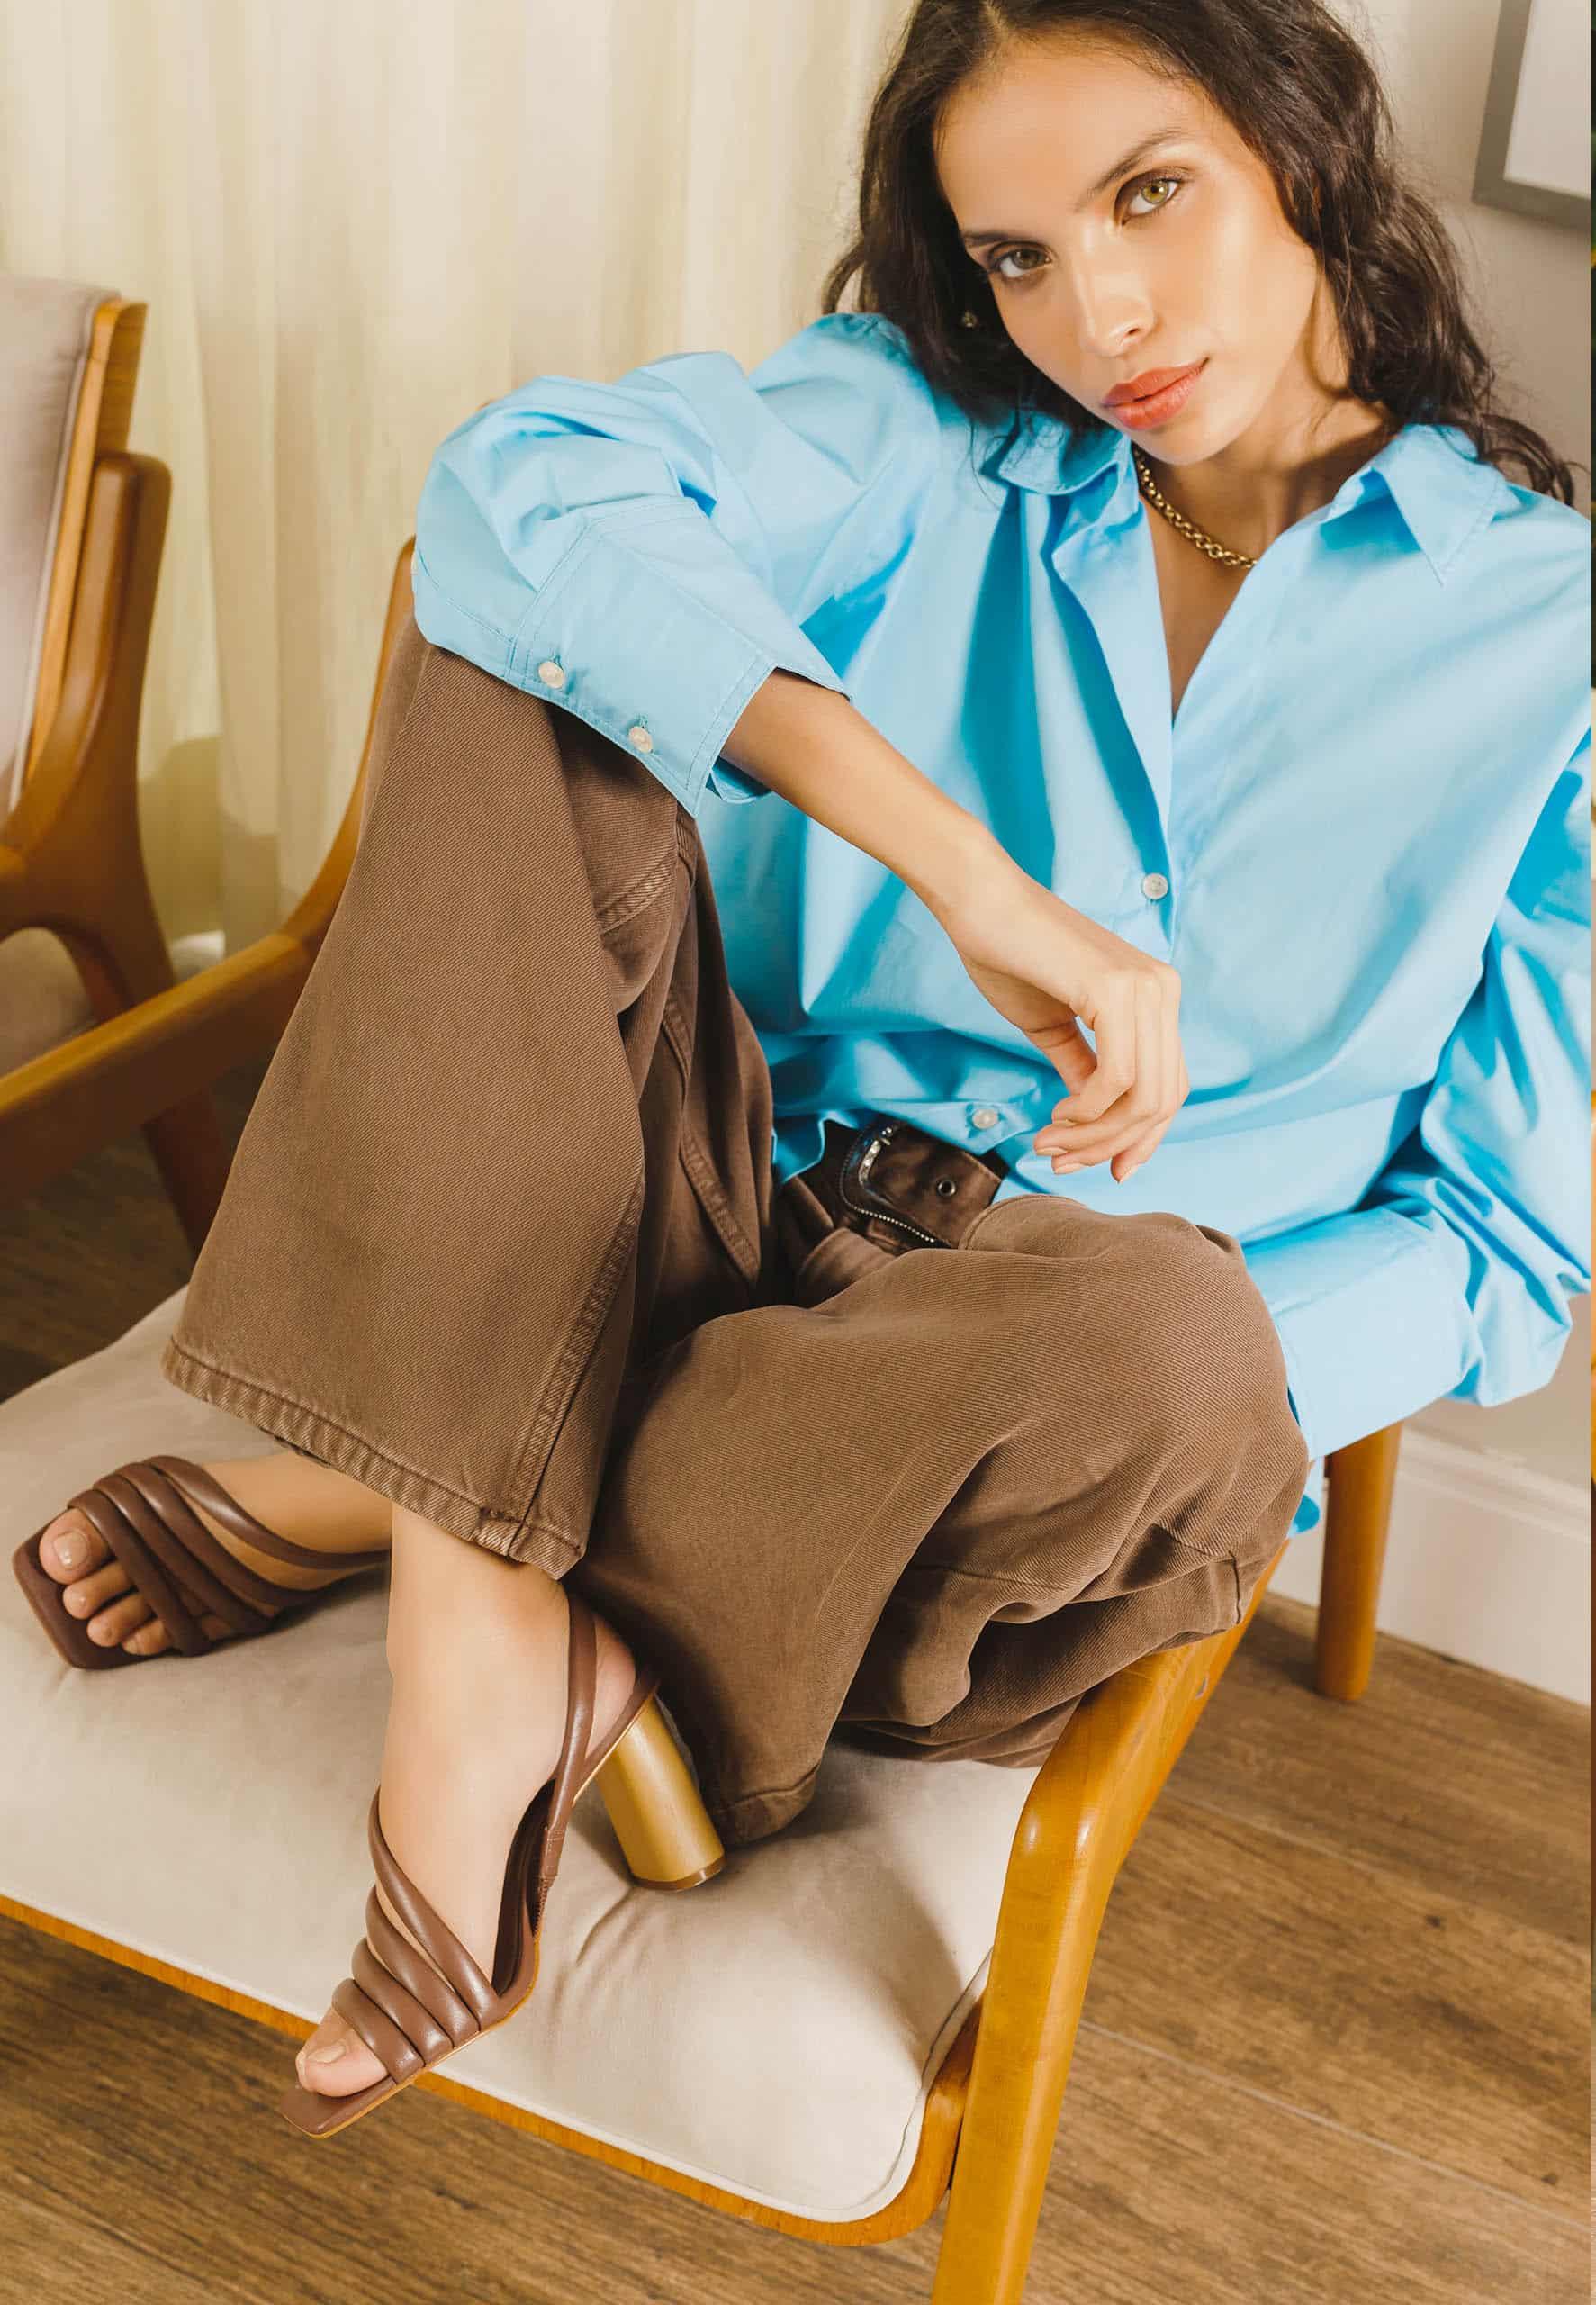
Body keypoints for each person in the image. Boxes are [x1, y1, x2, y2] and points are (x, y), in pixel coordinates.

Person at [17, 0, 1588, 2130]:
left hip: (1026, 1359)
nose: (1093, 311)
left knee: (1179, 1347)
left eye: (1148, 193)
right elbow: (515, 497)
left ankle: (424, 1473)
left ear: (1303, 150)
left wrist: (1178, 1345)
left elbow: (1496, 1240)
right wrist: (961, 871)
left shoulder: (1548, 641)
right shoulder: (918, 429)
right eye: (1014, 255)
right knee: (523, 667)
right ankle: (495, 1635)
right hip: (698, 1181)